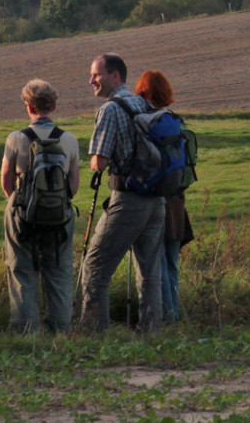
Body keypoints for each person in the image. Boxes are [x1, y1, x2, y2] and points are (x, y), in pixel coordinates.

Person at [76, 52, 165, 333]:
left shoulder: (110, 109)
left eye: (96, 74)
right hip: (156, 199)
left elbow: (99, 162)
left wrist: (93, 160)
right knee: (150, 273)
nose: (91, 80)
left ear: (115, 76)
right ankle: (151, 335)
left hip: (128, 199)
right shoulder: (144, 103)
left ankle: (93, 333)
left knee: (95, 267)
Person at [0, 79, 81, 334]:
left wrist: (20, 204)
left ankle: (25, 332)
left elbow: (6, 181)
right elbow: (73, 186)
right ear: (53, 106)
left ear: (28, 106)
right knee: (59, 273)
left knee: (22, 273)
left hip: (22, 216)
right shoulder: (69, 140)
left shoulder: (15, 139)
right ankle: (60, 330)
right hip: (60, 218)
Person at [134, 69, 194, 323]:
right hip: (178, 203)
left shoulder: (147, 125)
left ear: (142, 92)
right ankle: (175, 318)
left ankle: (167, 320)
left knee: (156, 267)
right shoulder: (177, 124)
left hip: (156, 201)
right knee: (172, 265)